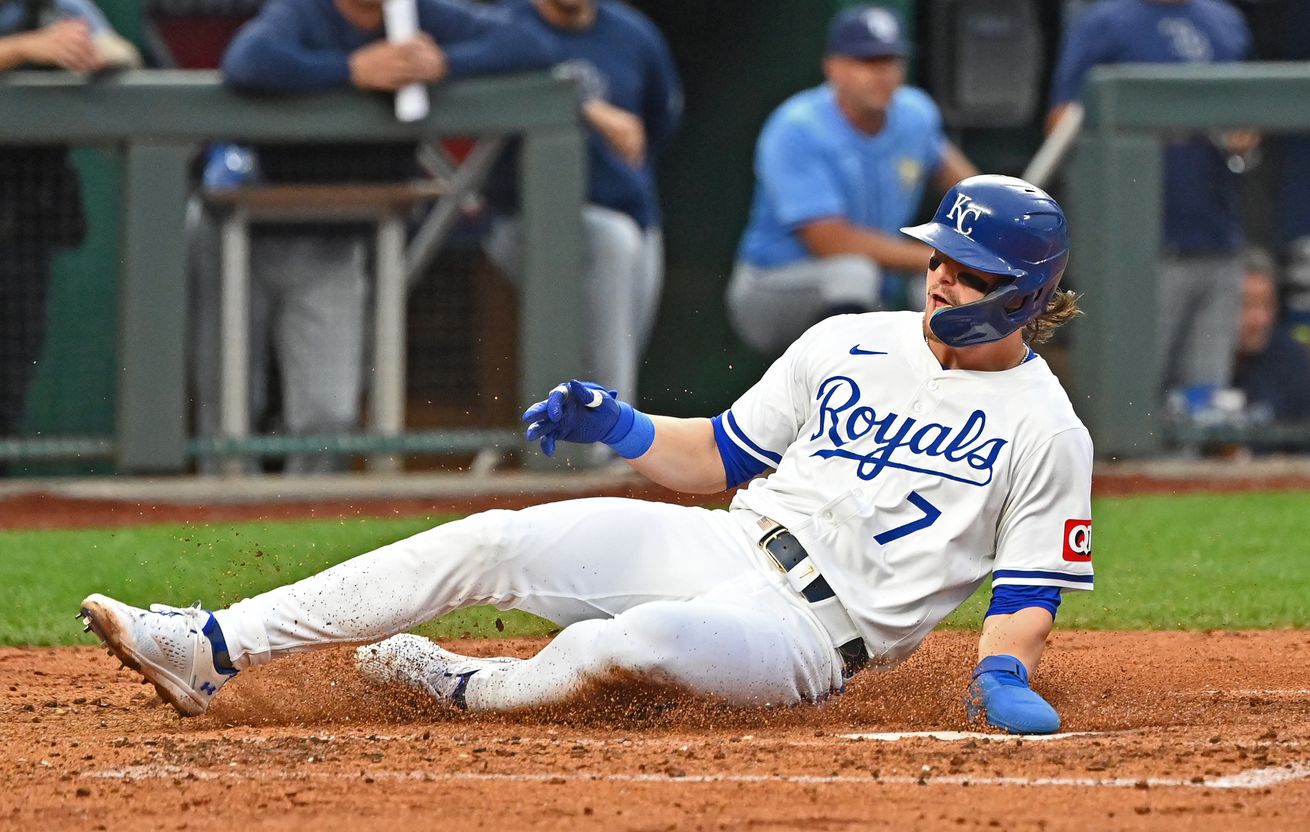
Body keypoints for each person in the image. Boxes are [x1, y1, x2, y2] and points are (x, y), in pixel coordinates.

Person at [81, 175, 1092, 735]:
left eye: (970, 270)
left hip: (806, 641)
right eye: (938, 257)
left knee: (631, 644)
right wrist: (622, 428)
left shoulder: (1045, 427)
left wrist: (1001, 675)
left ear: (1026, 291)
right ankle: (212, 646)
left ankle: (461, 685)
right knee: (495, 538)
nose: (940, 278)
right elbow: (714, 458)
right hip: (729, 545)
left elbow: (1027, 592)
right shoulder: (847, 338)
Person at [190, 0, 555, 474]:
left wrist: (443, 63)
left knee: (329, 414)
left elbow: (532, 44)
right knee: (230, 400)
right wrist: (351, 70)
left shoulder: (421, 15)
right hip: (242, 230)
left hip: (335, 240)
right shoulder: (303, 12)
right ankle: (220, 522)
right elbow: (248, 61)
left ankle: (310, 528)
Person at [725, 4, 977, 358]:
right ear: (834, 68)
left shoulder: (915, 113)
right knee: (853, 272)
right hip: (774, 288)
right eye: (866, 62)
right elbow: (832, 241)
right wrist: (940, 258)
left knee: (938, 285)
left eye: (889, 61)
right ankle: (849, 389)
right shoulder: (797, 126)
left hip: (874, 283)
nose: (881, 73)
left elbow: (969, 187)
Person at [482, 0, 682, 425]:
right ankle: (606, 443)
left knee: (619, 351)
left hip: (632, 215)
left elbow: (659, 124)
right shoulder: (505, 26)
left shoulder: (633, 32)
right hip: (524, 222)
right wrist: (581, 104)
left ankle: (598, 444)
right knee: (611, 253)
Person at [1048, 0, 1253, 408]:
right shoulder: (1105, 22)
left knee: (1203, 404)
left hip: (1217, 238)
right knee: (1131, 403)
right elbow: (1061, 123)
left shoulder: (1226, 21)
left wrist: (1242, 132)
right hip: (1137, 250)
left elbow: (1252, 112)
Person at [0, 0, 138, 465]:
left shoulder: (55, 4)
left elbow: (122, 52)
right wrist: (22, 49)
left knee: (9, 380)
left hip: (22, 214)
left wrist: (89, 51)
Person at [1233, 247, 1310, 444]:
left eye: (1268, 305)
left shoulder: (1291, 360)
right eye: (1247, 305)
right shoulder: (1194, 359)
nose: (1260, 319)